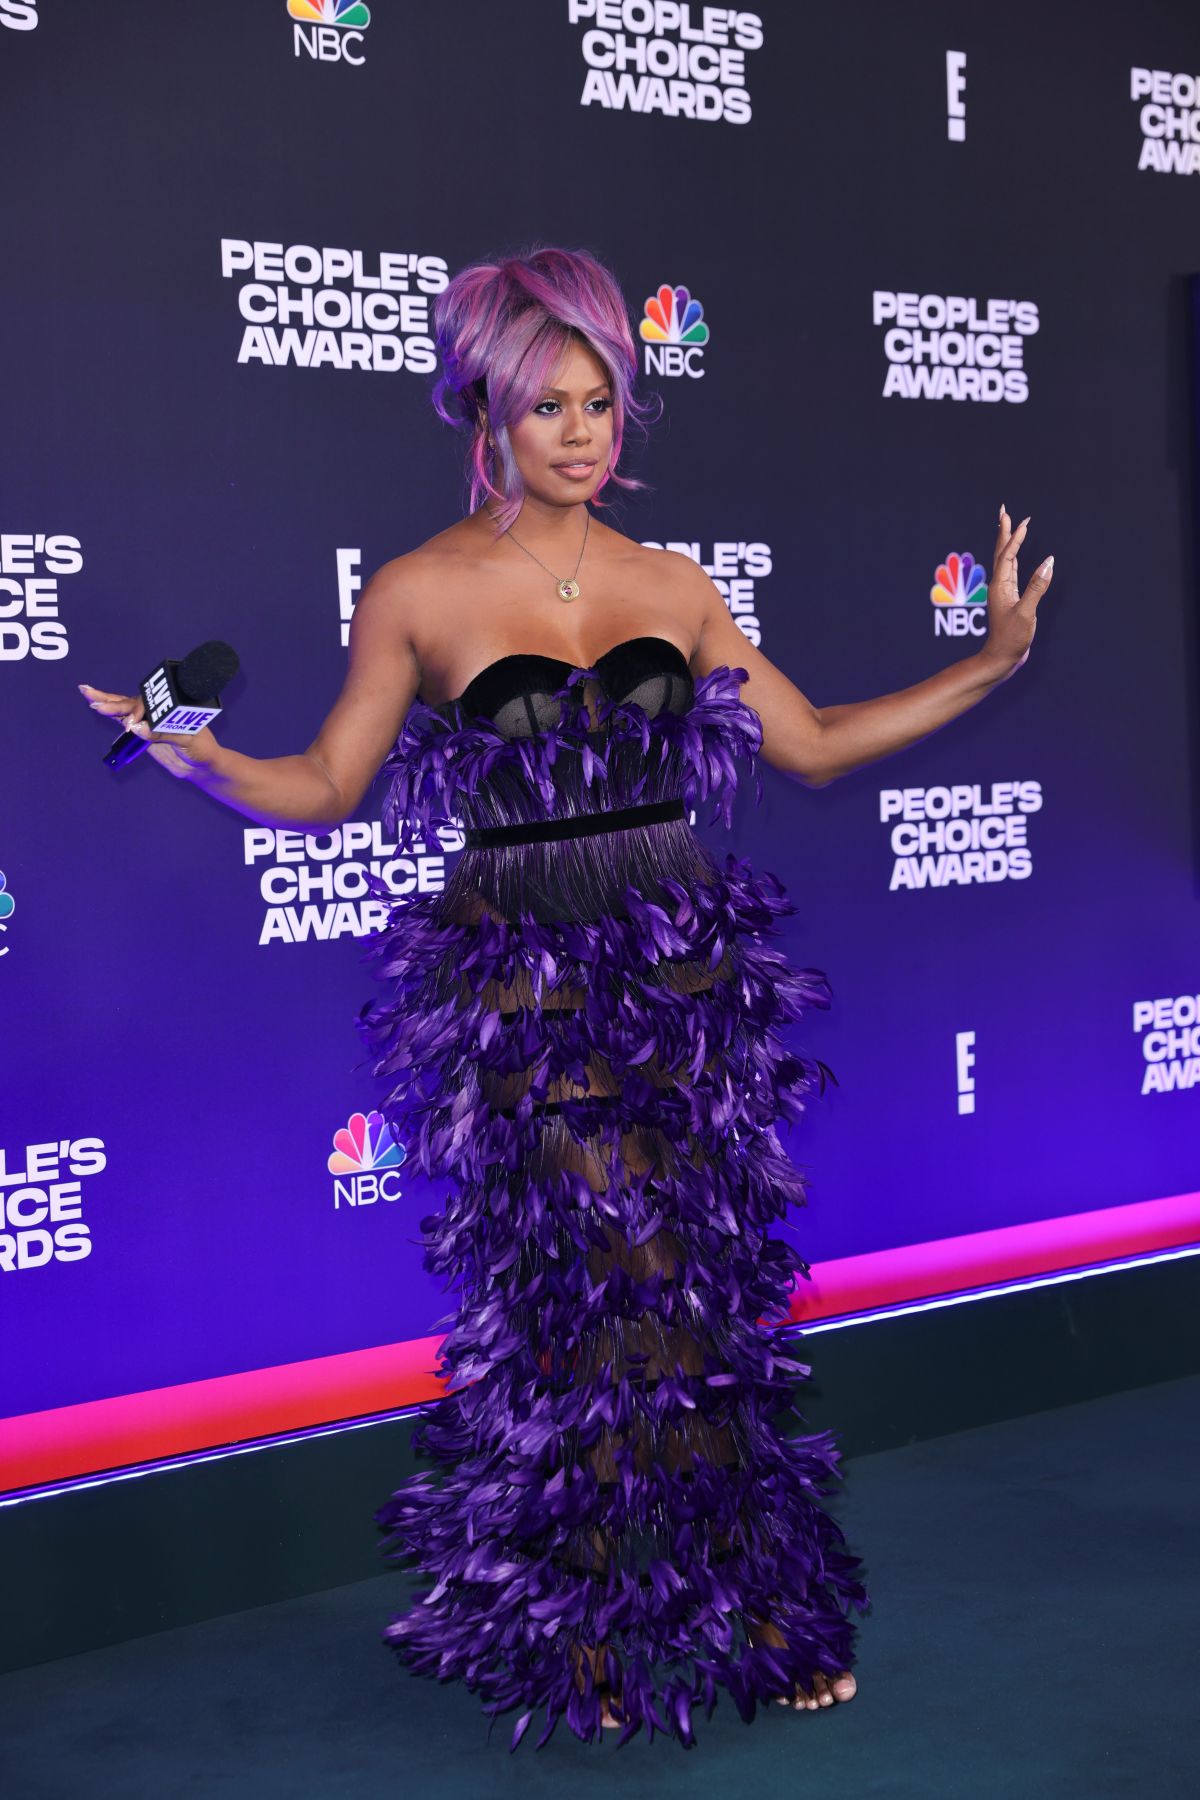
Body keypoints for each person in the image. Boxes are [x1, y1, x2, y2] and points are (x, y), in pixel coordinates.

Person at [79, 245, 1053, 1751]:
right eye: (549, 407)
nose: (582, 432)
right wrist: (203, 761)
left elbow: (811, 744)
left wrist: (988, 666)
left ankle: (763, 1601)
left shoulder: (679, 584)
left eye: (601, 401)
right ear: (488, 412)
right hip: (527, 980)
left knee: (704, 1297)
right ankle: (584, 1620)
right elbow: (330, 785)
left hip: (683, 970)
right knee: (592, 1301)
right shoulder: (421, 587)